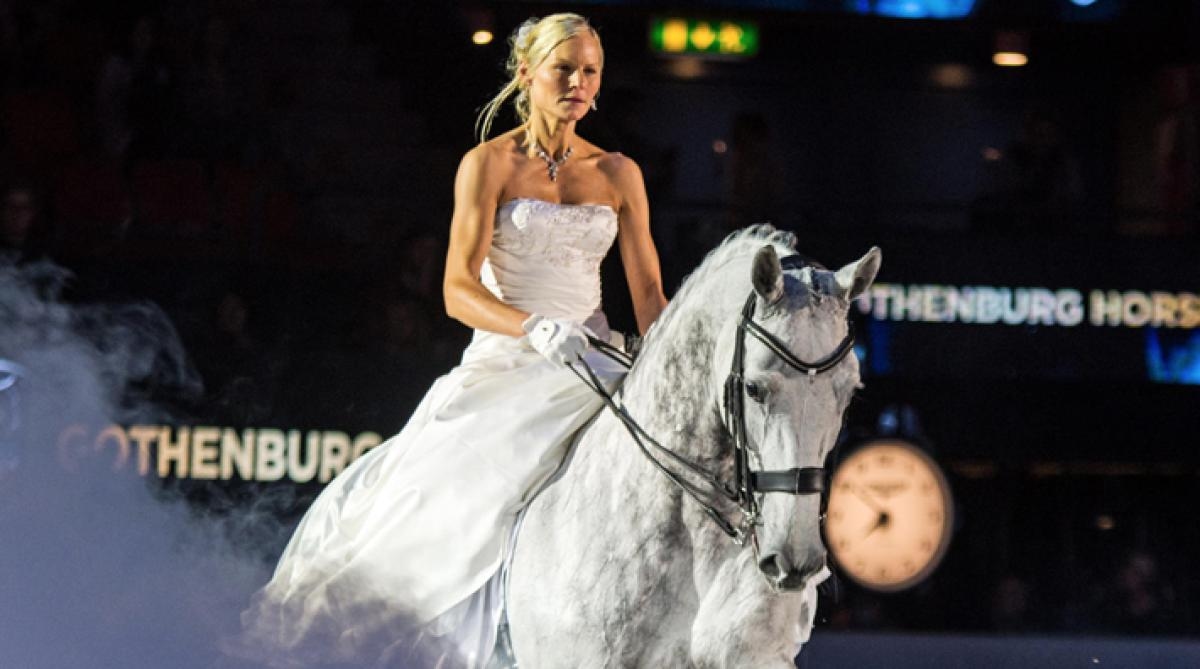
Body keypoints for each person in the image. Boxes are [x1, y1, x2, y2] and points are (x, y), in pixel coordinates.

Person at [232, 13, 667, 668]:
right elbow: (456, 290)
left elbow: (651, 296)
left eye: (590, 71)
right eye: (564, 69)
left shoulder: (617, 173)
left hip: (595, 361)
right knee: (432, 503)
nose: (579, 82)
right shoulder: (488, 164)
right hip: (511, 361)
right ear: (527, 73)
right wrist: (532, 326)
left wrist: (661, 364)